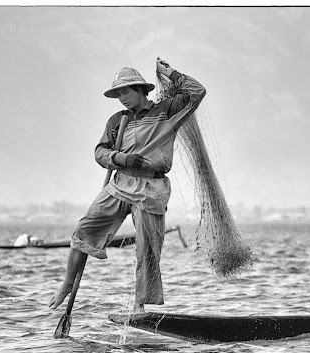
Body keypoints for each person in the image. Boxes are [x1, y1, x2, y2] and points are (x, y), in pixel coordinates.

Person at [49, 58, 206, 313]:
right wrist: (121, 158)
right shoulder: (116, 120)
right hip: (120, 183)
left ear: (140, 90)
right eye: (118, 93)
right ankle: (67, 283)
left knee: (147, 248)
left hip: (151, 188)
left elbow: (197, 92)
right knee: (84, 228)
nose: (121, 98)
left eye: (125, 91)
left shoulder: (167, 110)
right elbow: (100, 152)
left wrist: (171, 73)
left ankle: (139, 305)